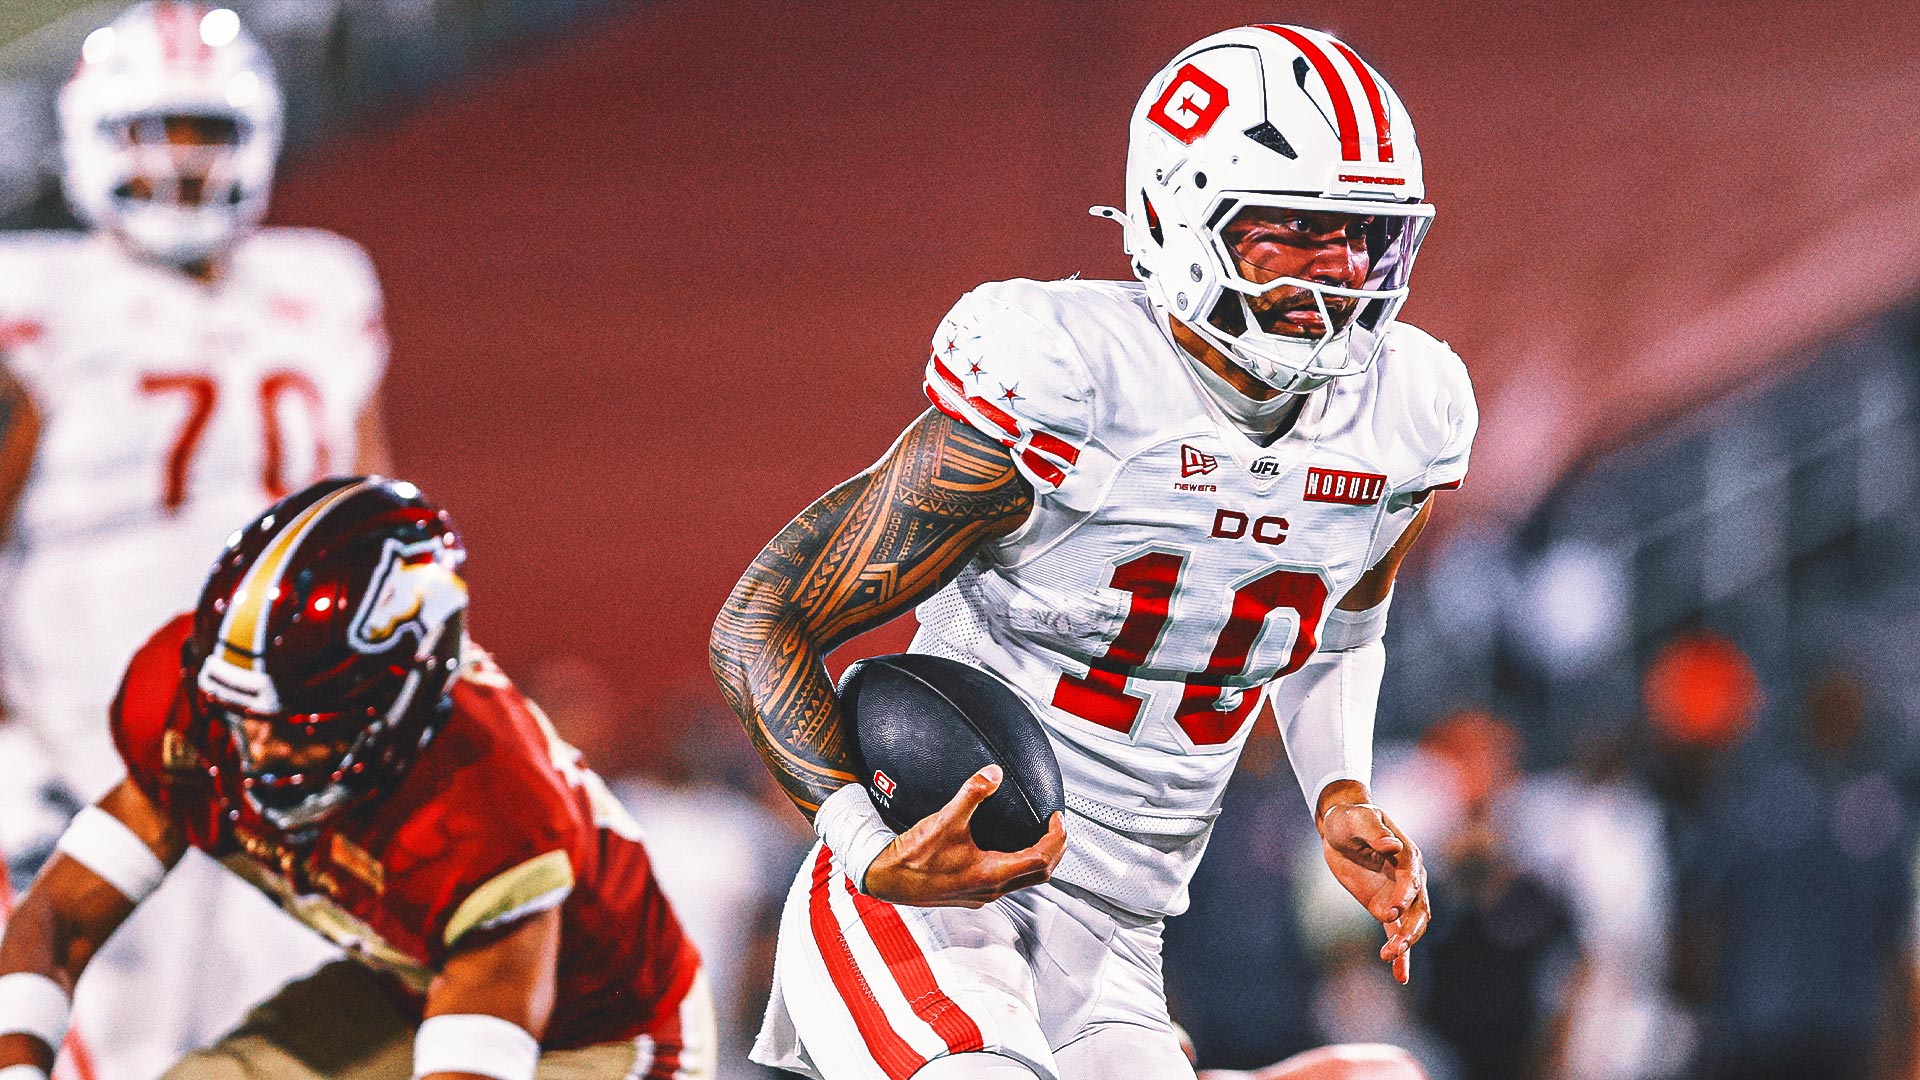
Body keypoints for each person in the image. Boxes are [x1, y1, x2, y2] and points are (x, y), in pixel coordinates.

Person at [710, 23, 1475, 1080]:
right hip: (933, 902)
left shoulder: (1403, 413)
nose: (1340, 270)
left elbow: (1343, 627)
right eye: (1293, 232)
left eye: (1363, 235)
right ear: (1177, 217)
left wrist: (1338, 791)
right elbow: (763, 616)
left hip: (1118, 938)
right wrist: (864, 844)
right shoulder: (1071, 381)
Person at [0, 477, 714, 1080]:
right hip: (406, 983)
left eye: (298, 723)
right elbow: (58, 923)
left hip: (604, 1028)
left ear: (399, 701)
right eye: (240, 714)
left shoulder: (487, 811)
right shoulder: (190, 709)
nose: (255, 750)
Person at [0, 4, 395, 1072]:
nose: (178, 160)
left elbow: (378, 522)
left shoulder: (324, 282)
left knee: (286, 1030)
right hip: (92, 736)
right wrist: (8, 752)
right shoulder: (37, 298)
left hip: (291, 733)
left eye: (204, 130)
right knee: (106, 1035)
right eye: (151, 130)